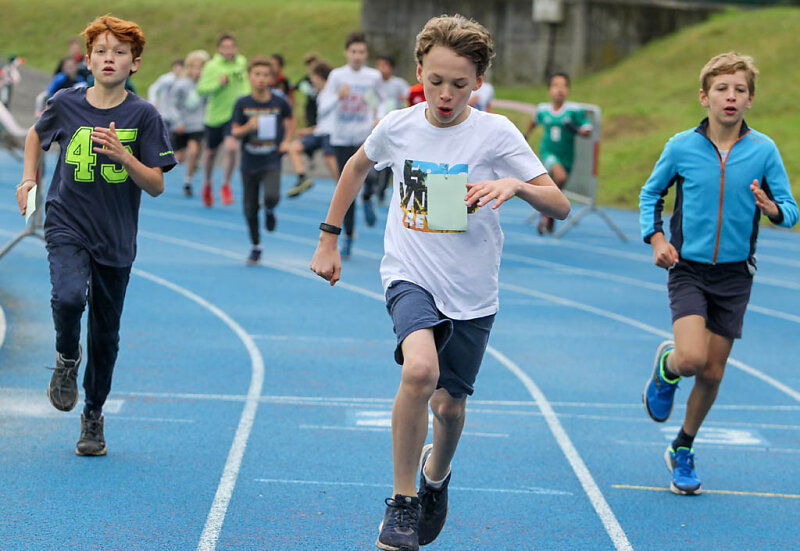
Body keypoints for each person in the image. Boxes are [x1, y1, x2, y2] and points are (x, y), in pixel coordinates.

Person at [310, 14, 570, 550]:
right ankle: (402, 502)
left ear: (479, 82)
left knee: (448, 408)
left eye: (459, 83)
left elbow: (559, 204)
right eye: (435, 81)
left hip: (471, 289)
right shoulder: (398, 126)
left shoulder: (496, 133)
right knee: (419, 370)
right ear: (419, 74)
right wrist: (328, 238)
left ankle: (435, 477)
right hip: (410, 274)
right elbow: (356, 167)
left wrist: (516, 185)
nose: (446, 94)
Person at [15, 15, 176, 456]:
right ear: (87, 60)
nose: (109, 58)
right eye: (101, 51)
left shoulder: (144, 115)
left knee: (105, 335)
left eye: (119, 52)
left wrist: (126, 157)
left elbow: (157, 184)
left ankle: (93, 414)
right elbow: (34, 135)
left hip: (115, 235)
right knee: (68, 297)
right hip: (67, 221)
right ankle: (67, 357)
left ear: (134, 64)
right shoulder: (66, 103)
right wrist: (29, 179)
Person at [640, 52, 798, 496]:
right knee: (691, 359)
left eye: (740, 90)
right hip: (688, 268)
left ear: (750, 99)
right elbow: (651, 194)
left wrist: (773, 209)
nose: (731, 96)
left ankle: (683, 447)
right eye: (722, 89)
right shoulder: (681, 147)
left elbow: (790, 210)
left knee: (711, 373)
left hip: (734, 276)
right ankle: (668, 367)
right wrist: (657, 240)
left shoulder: (764, 150)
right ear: (704, 97)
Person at [321, 31, 382, 258]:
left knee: (372, 176)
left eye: (361, 52)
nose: (357, 56)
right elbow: (323, 106)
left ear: (366, 54)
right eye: (353, 51)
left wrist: (379, 116)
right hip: (341, 138)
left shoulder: (373, 76)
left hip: (364, 136)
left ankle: (368, 197)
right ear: (346, 53)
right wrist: (338, 96)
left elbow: (380, 100)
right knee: (347, 188)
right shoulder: (337, 76)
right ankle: (347, 236)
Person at [231, 58, 294, 265]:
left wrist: (287, 140)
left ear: (271, 79)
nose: (261, 79)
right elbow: (235, 131)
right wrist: (248, 127)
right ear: (250, 77)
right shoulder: (243, 103)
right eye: (257, 74)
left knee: (272, 195)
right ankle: (256, 245)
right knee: (250, 208)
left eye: (265, 75)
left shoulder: (278, 102)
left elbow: (290, 118)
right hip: (249, 162)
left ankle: (269, 208)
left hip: (271, 159)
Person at [524, 72, 592, 234]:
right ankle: (547, 214)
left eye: (563, 86)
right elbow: (534, 122)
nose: (559, 90)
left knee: (558, 185)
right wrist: (525, 136)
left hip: (567, 156)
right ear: (549, 90)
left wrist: (576, 130)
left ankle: (549, 214)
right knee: (560, 177)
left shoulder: (574, 111)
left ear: (568, 90)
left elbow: (587, 128)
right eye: (555, 86)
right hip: (548, 152)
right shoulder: (543, 110)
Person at [197, 32, 249, 207]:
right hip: (215, 115)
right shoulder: (212, 66)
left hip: (234, 115)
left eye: (232, 47)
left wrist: (249, 99)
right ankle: (207, 183)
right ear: (219, 49)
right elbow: (201, 89)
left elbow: (245, 83)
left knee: (232, 147)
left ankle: (226, 185)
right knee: (210, 153)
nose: (229, 50)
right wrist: (219, 84)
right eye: (225, 47)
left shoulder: (241, 62)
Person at [285, 61, 339, 198]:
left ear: (319, 77)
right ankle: (302, 177)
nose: (311, 81)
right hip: (319, 133)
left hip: (331, 134)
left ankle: (341, 188)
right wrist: (309, 130)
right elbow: (324, 122)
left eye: (312, 77)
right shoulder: (320, 94)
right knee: (293, 147)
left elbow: (332, 119)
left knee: (329, 158)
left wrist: (339, 97)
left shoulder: (334, 92)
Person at [170, 49, 210, 197]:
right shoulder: (182, 85)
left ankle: (188, 181)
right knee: (178, 157)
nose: (198, 71)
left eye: (201, 67)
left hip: (198, 125)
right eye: (195, 67)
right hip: (182, 125)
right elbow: (173, 104)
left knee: (193, 151)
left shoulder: (206, 86)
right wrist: (178, 121)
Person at [147, 57, 183, 129]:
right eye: (177, 68)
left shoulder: (183, 80)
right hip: (165, 114)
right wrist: (153, 101)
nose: (178, 70)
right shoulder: (167, 79)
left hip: (177, 116)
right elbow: (153, 88)